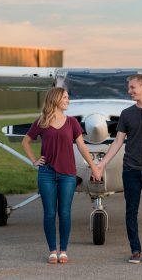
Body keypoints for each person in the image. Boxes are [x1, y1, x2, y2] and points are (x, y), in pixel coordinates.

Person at [96, 74, 142, 264]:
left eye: (132, 88)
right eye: (129, 88)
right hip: (130, 171)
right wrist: (101, 164)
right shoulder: (126, 114)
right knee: (131, 212)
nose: (129, 91)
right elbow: (117, 142)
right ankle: (135, 251)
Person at [22, 87, 101, 264]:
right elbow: (25, 141)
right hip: (46, 174)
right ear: (56, 99)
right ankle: (52, 251)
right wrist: (34, 160)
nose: (68, 100)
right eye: (65, 97)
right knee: (49, 213)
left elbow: (82, 147)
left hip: (67, 175)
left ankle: (63, 250)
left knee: (64, 213)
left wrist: (94, 168)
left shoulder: (72, 122)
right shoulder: (42, 121)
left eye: (67, 97)